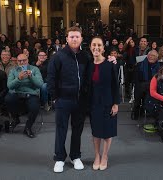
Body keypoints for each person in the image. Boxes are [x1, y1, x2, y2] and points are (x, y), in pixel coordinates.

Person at [47, 26, 116, 173]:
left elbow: (100, 62)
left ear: (81, 39)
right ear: (67, 38)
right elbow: (51, 79)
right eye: (71, 36)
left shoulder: (86, 57)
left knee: (77, 130)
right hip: (63, 100)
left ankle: (75, 156)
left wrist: (112, 58)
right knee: (61, 130)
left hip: (80, 101)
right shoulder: (58, 57)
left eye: (77, 37)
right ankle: (59, 158)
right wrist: (54, 99)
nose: (74, 39)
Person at [88, 37, 119, 171]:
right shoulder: (88, 65)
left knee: (107, 132)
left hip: (108, 102)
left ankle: (105, 156)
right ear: (90, 47)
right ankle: (97, 156)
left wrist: (116, 103)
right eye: (94, 45)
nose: (96, 47)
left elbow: (115, 85)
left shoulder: (110, 64)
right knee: (96, 132)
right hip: (93, 103)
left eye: (99, 45)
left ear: (103, 48)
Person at [5, 54, 43, 138]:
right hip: (17, 93)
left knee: (34, 106)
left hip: (31, 94)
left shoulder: (34, 69)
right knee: (8, 99)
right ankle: (15, 119)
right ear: (17, 61)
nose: (22, 62)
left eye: (24, 60)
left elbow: (40, 84)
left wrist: (31, 76)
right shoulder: (13, 70)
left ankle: (28, 127)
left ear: (27, 60)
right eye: (19, 61)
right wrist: (18, 79)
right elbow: (9, 86)